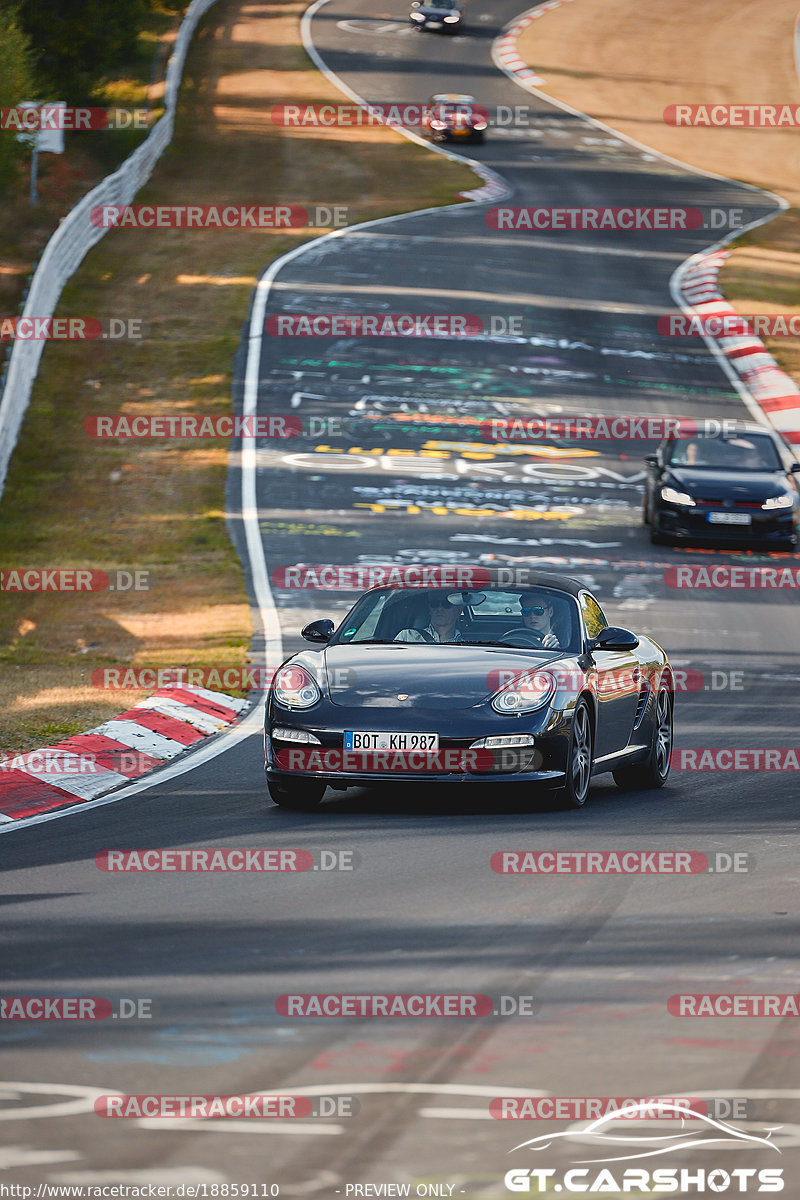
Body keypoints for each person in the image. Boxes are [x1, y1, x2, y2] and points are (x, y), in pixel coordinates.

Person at [394, 591, 464, 643]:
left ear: (459, 610)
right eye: (434, 604)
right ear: (429, 609)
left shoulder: (467, 645)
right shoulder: (406, 636)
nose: (439, 608)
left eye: (446, 604)